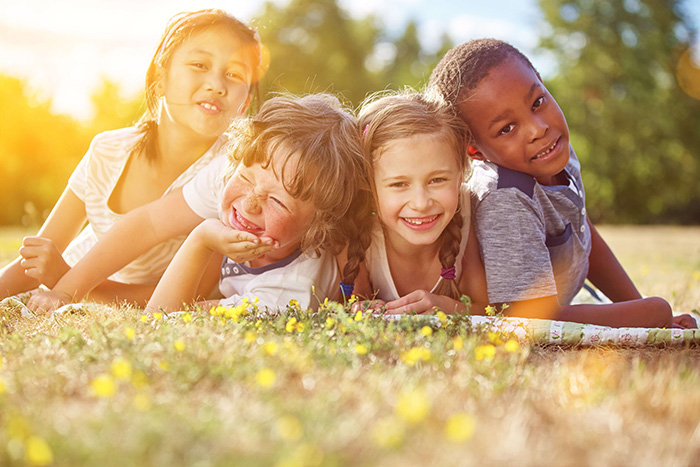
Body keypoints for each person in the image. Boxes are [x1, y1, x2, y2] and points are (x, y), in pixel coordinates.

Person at [0, 9, 264, 305]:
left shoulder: (233, 173)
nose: (217, 83)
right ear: (159, 79)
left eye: (234, 74)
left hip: (85, 283)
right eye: (200, 64)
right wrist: (60, 278)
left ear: (245, 104)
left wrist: (72, 284)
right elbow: (36, 261)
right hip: (80, 271)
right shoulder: (107, 150)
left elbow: (195, 293)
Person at [428, 38, 696, 328]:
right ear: (474, 150)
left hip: (552, 305)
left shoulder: (556, 152)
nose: (538, 128)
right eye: (507, 128)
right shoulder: (506, 199)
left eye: (537, 102)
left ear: (543, 83)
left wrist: (638, 304)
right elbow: (525, 320)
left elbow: (584, 238)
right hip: (528, 313)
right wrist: (648, 314)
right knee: (655, 310)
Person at [27, 94, 364, 314]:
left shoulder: (288, 292)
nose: (249, 204)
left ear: (320, 225)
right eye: (245, 180)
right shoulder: (234, 171)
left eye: (276, 201)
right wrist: (67, 289)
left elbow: (163, 316)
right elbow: (148, 223)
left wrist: (202, 238)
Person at [339, 91, 488, 315]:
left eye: (437, 180)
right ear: (368, 186)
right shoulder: (358, 231)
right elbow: (350, 303)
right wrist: (361, 308)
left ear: (460, 175)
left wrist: (446, 307)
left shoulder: (469, 213)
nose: (421, 203)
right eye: (399, 184)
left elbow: (487, 309)